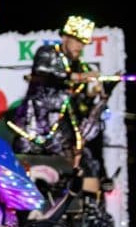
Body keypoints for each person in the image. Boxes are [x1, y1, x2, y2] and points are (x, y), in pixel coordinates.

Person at [9, 15, 105, 168]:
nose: (80, 47)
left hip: (60, 133)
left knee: (60, 173)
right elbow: (43, 73)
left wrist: (92, 96)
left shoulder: (82, 67)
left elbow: (78, 103)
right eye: (77, 41)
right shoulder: (47, 52)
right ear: (65, 37)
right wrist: (77, 77)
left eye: (83, 43)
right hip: (33, 124)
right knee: (23, 169)